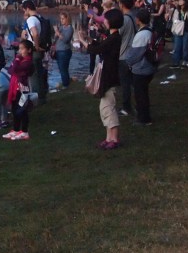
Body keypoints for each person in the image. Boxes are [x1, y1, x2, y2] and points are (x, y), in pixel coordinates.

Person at [83, 8, 123, 150]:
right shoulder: (112, 37)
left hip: (109, 76)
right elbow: (100, 46)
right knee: (104, 108)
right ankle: (108, 137)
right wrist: (90, 40)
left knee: (108, 108)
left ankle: (114, 138)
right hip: (107, 75)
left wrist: (83, 41)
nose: (104, 21)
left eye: (106, 19)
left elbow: (97, 50)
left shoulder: (115, 38)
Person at [124, 9, 157, 125]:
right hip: (148, 67)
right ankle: (144, 116)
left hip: (141, 68)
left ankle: (143, 119)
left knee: (140, 95)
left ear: (138, 19)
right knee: (143, 93)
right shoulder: (150, 31)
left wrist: (127, 62)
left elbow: (136, 54)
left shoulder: (142, 34)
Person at [2, 39, 35, 141]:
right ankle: (16, 130)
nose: (19, 51)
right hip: (15, 88)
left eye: (22, 49)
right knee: (14, 109)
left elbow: (14, 69)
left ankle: (24, 132)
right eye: (19, 49)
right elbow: (10, 70)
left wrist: (16, 60)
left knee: (22, 110)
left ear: (29, 50)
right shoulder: (21, 61)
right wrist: (16, 63)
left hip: (22, 89)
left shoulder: (28, 62)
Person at [21, 0, 48, 105]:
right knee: (39, 74)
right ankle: (42, 96)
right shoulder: (39, 17)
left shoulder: (31, 19)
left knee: (33, 76)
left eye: (24, 10)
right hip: (41, 48)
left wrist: (36, 46)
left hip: (34, 49)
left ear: (27, 8)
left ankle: (37, 100)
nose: (24, 12)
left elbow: (35, 34)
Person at [53, 11, 74, 89]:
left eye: (63, 19)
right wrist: (56, 33)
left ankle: (66, 85)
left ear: (67, 19)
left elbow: (65, 39)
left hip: (64, 51)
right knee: (61, 68)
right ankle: (66, 82)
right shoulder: (61, 27)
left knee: (63, 68)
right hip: (58, 50)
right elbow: (55, 38)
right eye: (60, 19)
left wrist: (57, 32)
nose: (61, 20)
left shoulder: (70, 28)